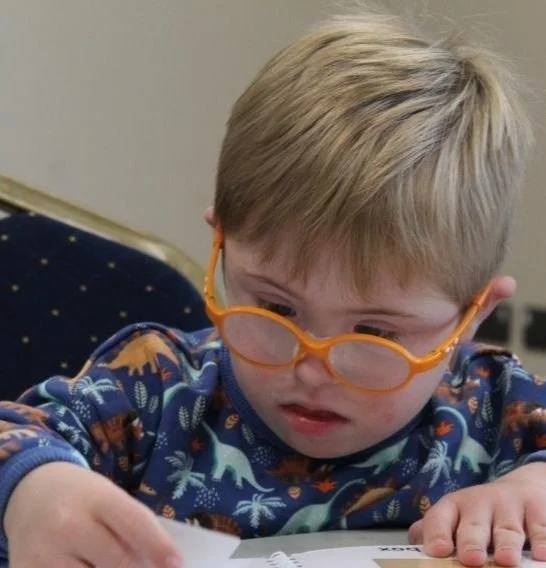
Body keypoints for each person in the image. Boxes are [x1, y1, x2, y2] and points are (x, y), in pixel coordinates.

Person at [0, 7, 542, 568]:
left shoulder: (500, 408)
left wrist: (532, 489)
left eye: (375, 332)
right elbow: (15, 433)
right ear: (223, 249)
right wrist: (36, 488)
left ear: (472, 316)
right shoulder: (154, 387)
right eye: (277, 308)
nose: (312, 367)